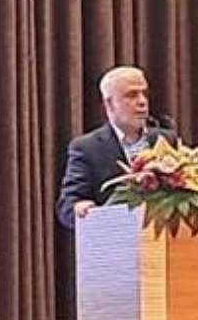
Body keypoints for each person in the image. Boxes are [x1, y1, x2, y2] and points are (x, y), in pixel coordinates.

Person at [56, 65, 177, 228]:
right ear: (109, 104)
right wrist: (80, 208)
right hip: (115, 237)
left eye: (144, 94)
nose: (142, 102)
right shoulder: (87, 148)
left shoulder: (166, 140)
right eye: (132, 95)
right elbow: (67, 206)